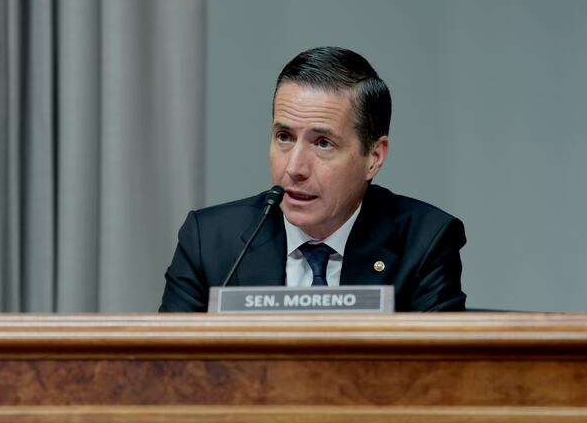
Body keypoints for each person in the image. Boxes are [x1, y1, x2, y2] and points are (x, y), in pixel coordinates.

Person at [159, 46, 466, 312]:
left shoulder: (424, 243)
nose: (294, 167)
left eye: (322, 143)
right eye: (284, 137)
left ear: (374, 157)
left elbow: (440, 375)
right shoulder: (210, 241)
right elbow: (167, 372)